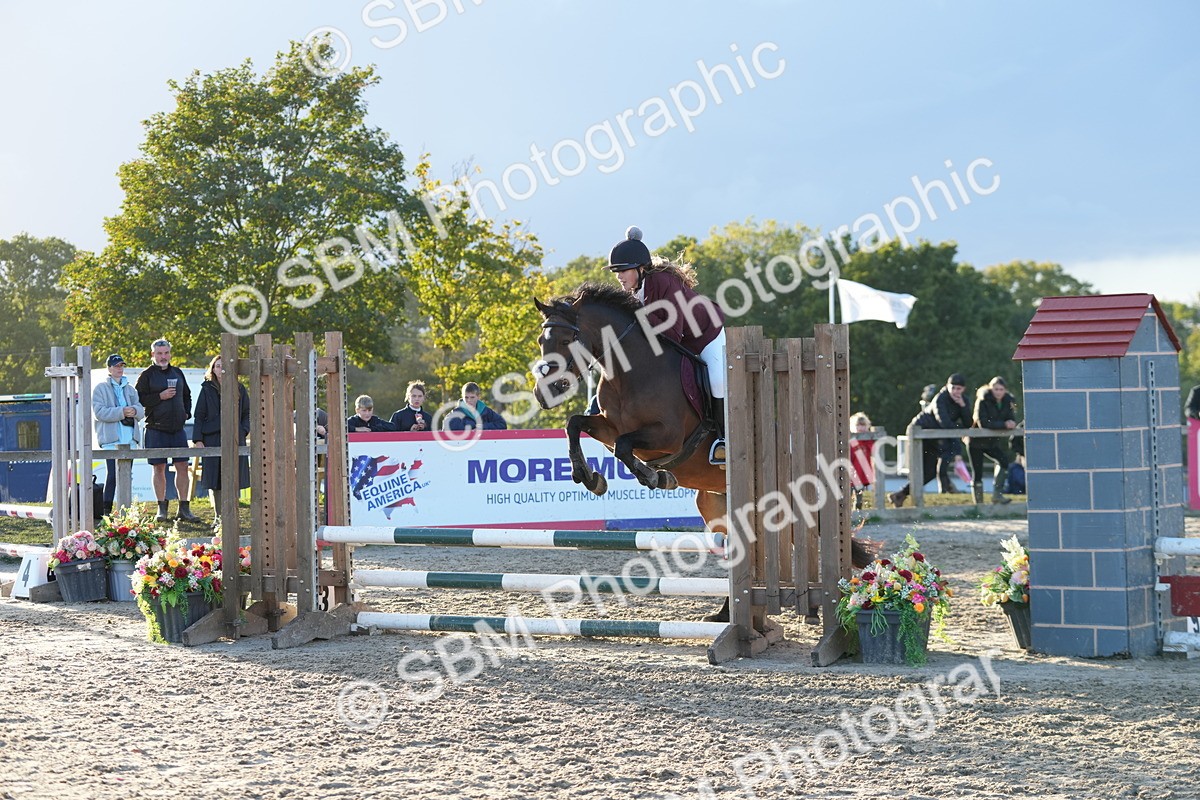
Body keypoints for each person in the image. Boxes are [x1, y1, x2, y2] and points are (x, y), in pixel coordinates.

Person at [607, 225, 727, 463]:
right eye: (616, 271)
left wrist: (638, 312)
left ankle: (724, 440)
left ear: (641, 269)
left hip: (706, 334)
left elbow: (672, 333)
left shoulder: (663, 282)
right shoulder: (633, 292)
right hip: (682, 342)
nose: (619, 276)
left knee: (716, 380)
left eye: (623, 270)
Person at [135, 338, 198, 522]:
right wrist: (159, 396)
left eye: (166, 353)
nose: (163, 357)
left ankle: (184, 508)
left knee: (183, 466)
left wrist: (186, 413)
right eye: (159, 353)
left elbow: (187, 395)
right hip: (155, 429)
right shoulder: (146, 375)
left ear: (170, 354)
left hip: (177, 430)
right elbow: (139, 400)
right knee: (159, 468)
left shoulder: (177, 372)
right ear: (152, 354)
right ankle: (161, 509)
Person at [889, 373, 973, 508]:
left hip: (934, 436)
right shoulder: (940, 398)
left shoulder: (964, 401)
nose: (955, 391)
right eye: (953, 388)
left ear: (964, 389)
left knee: (930, 472)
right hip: (919, 432)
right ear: (947, 386)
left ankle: (900, 494)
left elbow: (968, 423)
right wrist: (960, 427)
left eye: (959, 388)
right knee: (920, 469)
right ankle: (909, 498)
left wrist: (963, 406)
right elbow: (944, 423)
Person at [192, 355, 251, 520]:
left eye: (224, 365)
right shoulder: (207, 388)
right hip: (212, 437)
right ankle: (219, 517)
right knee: (215, 479)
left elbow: (247, 412)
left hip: (235, 437)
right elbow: (199, 415)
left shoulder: (239, 388)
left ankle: (232, 516)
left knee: (234, 477)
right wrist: (198, 439)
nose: (221, 369)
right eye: (218, 366)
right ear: (213, 369)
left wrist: (243, 430)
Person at [91, 354, 144, 517]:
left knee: (127, 476)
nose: (119, 369)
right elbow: (99, 413)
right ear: (109, 368)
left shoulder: (130, 389)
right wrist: (122, 412)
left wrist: (134, 411)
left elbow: (141, 410)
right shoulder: (100, 388)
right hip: (111, 441)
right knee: (113, 475)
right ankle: (106, 509)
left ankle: (126, 510)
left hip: (129, 440)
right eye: (116, 366)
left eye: (121, 365)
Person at [969, 376, 1017, 505]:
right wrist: (1004, 424)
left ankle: (997, 495)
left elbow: (1011, 417)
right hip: (976, 442)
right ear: (991, 389)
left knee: (1003, 461)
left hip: (991, 442)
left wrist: (1011, 423)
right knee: (978, 473)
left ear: (1005, 390)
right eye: (996, 389)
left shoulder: (1008, 401)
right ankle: (978, 504)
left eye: (1001, 389)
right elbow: (983, 423)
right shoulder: (982, 400)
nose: (998, 392)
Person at [920, 382, 959, 494]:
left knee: (941, 470)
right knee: (938, 470)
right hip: (938, 442)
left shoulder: (945, 406)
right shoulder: (939, 405)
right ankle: (946, 490)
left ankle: (946, 490)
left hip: (945, 442)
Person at [849, 412, 875, 510]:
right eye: (858, 425)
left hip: (862, 473)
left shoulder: (868, 440)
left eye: (863, 425)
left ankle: (858, 512)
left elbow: (873, 451)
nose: (860, 427)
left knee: (859, 497)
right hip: (852, 472)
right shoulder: (851, 440)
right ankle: (847, 513)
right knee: (847, 495)